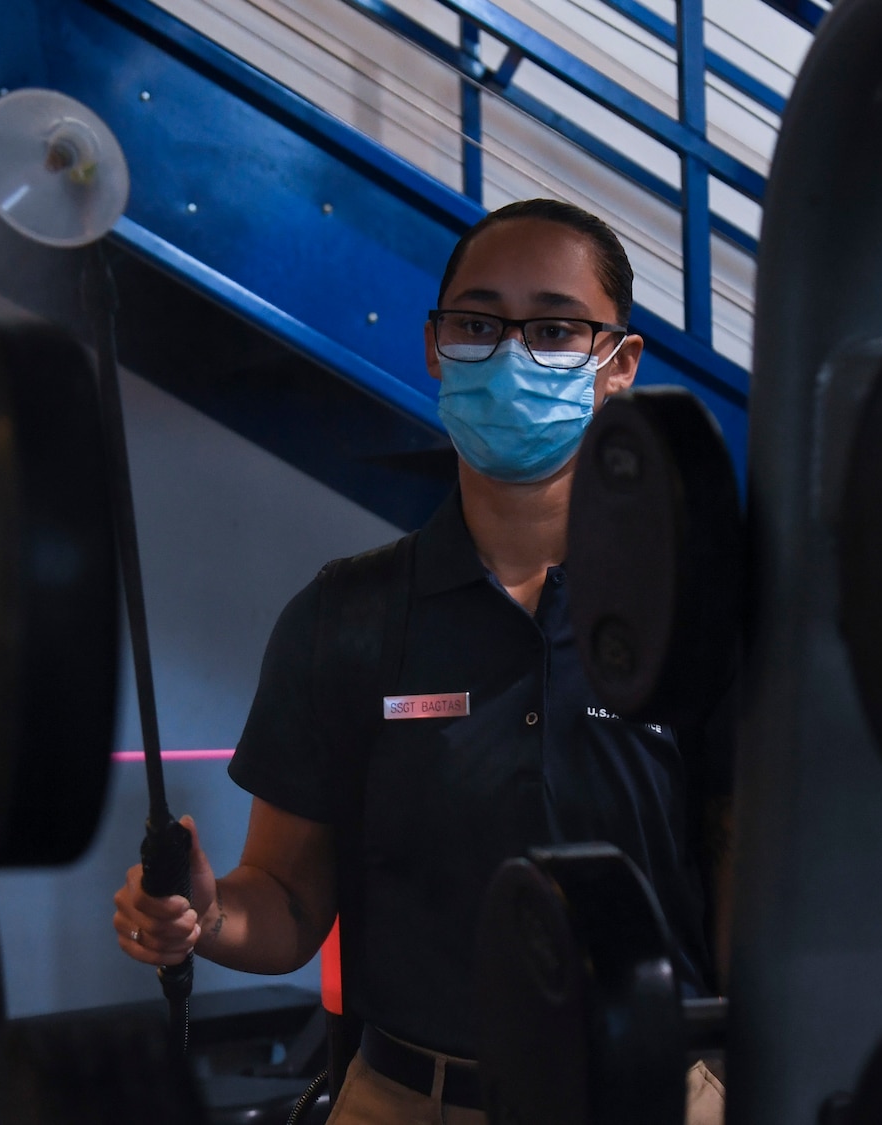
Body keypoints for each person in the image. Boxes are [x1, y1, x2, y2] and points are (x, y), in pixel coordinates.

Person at [113, 198, 733, 1125]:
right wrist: (202, 914)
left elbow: (752, 900)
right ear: (438, 347)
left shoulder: (698, 614)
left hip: (654, 1099)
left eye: (557, 328)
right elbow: (282, 903)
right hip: (408, 1102)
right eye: (480, 323)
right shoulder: (344, 615)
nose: (514, 354)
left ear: (620, 366)